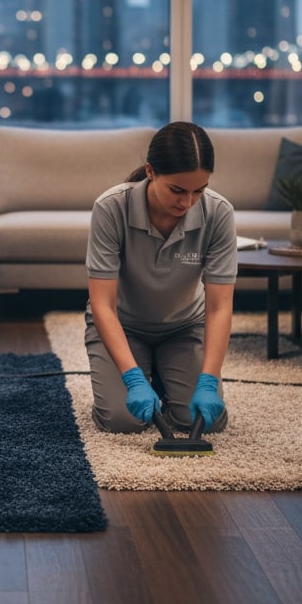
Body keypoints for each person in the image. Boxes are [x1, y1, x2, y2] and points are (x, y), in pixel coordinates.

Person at [84, 121, 237, 435]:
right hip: (123, 326)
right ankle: (144, 373)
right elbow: (102, 305)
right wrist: (133, 379)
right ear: (151, 171)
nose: (187, 202)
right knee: (123, 420)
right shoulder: (111, 208)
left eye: (199, 191)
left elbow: (219, 308)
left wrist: (208, 380)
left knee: (205, 423)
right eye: (178, 190)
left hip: (184, 327)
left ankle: (167, 377)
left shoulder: (219, 213)